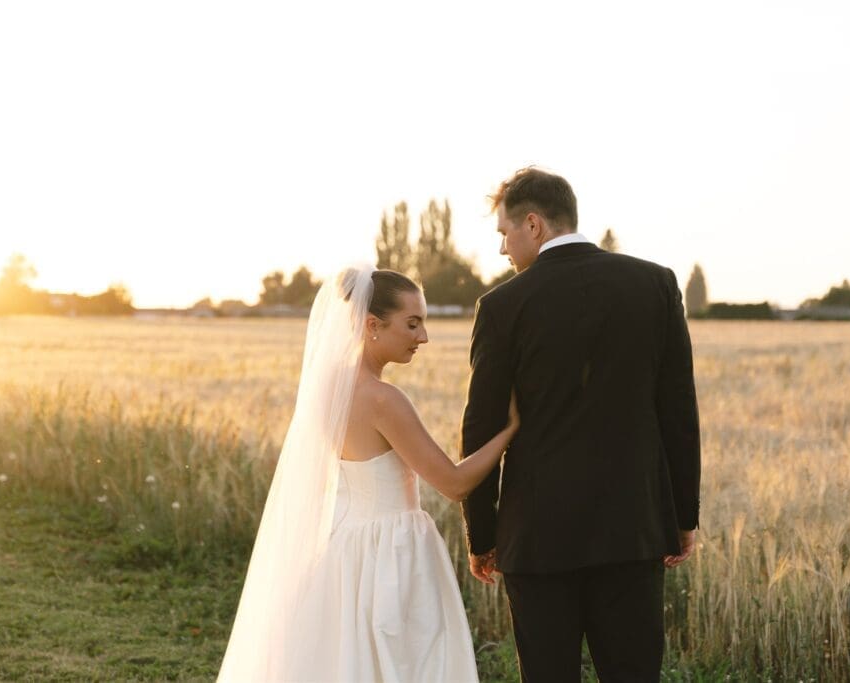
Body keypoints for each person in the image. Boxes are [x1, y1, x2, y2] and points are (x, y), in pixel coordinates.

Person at [217, 265, 517, 682]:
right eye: (412, 324)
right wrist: (510, 430)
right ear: (373, 325)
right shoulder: (383, 400)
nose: (423, 337)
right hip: (392, 553)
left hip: (345, 548)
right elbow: (453, 483)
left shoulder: (327, 390)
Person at [460, 167, 701, 683]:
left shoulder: (501, 307)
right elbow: (678, 411)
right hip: (633, 529)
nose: (502, 249)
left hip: (537, 538)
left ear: (533, 225)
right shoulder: (654, 284)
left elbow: (481, 428)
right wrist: (683, 516)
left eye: (504, 233)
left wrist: (482, 533)